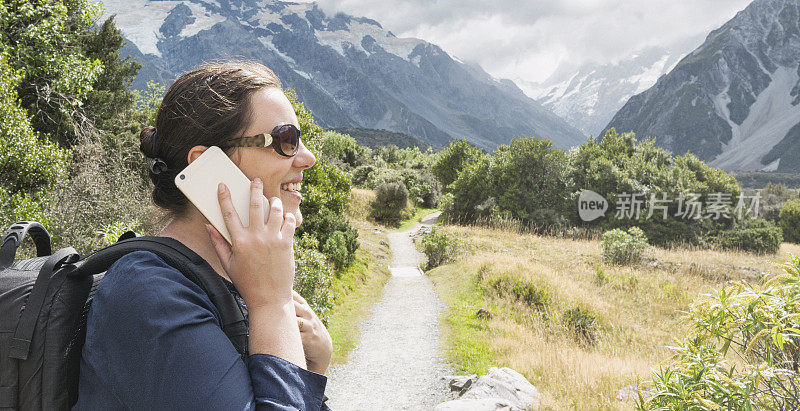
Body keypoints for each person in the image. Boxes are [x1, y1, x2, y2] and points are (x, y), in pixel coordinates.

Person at [73, 61, 333, 410]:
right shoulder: (150, 293)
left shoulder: (240, 281)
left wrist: (314, 364)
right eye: (287, 140)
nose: (308, 158)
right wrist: (273, 307)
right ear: (207, 165)